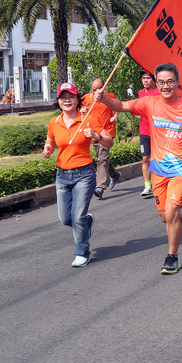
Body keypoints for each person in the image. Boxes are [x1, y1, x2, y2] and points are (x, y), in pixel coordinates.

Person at [93, 63, 182, 275]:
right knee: (165, 216)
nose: (165, 86)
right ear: (156, 84)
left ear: (177, 82)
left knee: (171, 213)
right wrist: (104, 97)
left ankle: (172, 257)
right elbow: (121, 105)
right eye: (161, 82)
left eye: (170, 81)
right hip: (158, 169)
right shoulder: (149, 103)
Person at [43, 82, 113, 268]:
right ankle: (87, 221)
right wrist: (48, 149)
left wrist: (96, 136)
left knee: (77, 217)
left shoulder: (87, 119)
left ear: (77, 99)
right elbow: (50, 141)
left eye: (71, 97)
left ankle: (82, 252)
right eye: (63, 97)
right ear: (58, 101)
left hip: (84, 175)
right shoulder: (54, 122)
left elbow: (109, 141)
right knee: (66, 219)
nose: (67, 100)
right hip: (62, 176)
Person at [82, 78, 121, 200]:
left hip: (107, 132)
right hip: (94, 132)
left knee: (102, 159)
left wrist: (115, 116)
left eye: (99, 89)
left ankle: (100, 187)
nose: (96, 92)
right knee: (101, 157)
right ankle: (114, 175)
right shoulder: (86, 98)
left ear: (104, 87)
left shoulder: (109, 96)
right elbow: (80, 111)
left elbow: (117, 106)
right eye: (94, 90)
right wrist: (82, 110)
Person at [137, 69, 159, 198]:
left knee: (157, 158)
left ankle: (159, 183)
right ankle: (147, 186)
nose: (145, 80)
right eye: (144, 78)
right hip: (144, 130)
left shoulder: (158, 92)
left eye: (148, 78)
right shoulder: (140, 93)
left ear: (154, 80)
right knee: (145, 158)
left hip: (157, 131)